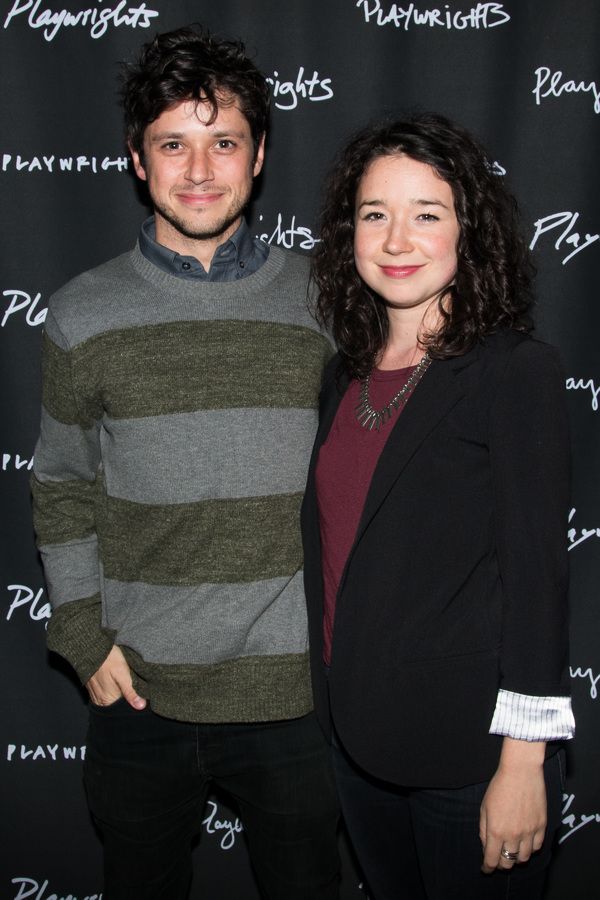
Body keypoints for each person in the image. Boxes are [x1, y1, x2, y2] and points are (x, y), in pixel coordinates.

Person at [31, 24, 339, 900]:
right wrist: (84, 637)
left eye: (223, 142)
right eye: (174, 143)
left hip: (291, 696)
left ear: (260, 154)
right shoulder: (82, 313)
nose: (199, 170)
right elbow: (59, 486)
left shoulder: (327, 299)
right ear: (137, 158)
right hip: (140, 695)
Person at [301, 113, 574, 900]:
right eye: (374, 214)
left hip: (470, 759)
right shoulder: (341, 377)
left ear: (468, 233)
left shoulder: (513, 371)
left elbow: (537, 577)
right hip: (355, 746)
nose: (396, 239)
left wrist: (523, 763)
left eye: (427, 214)